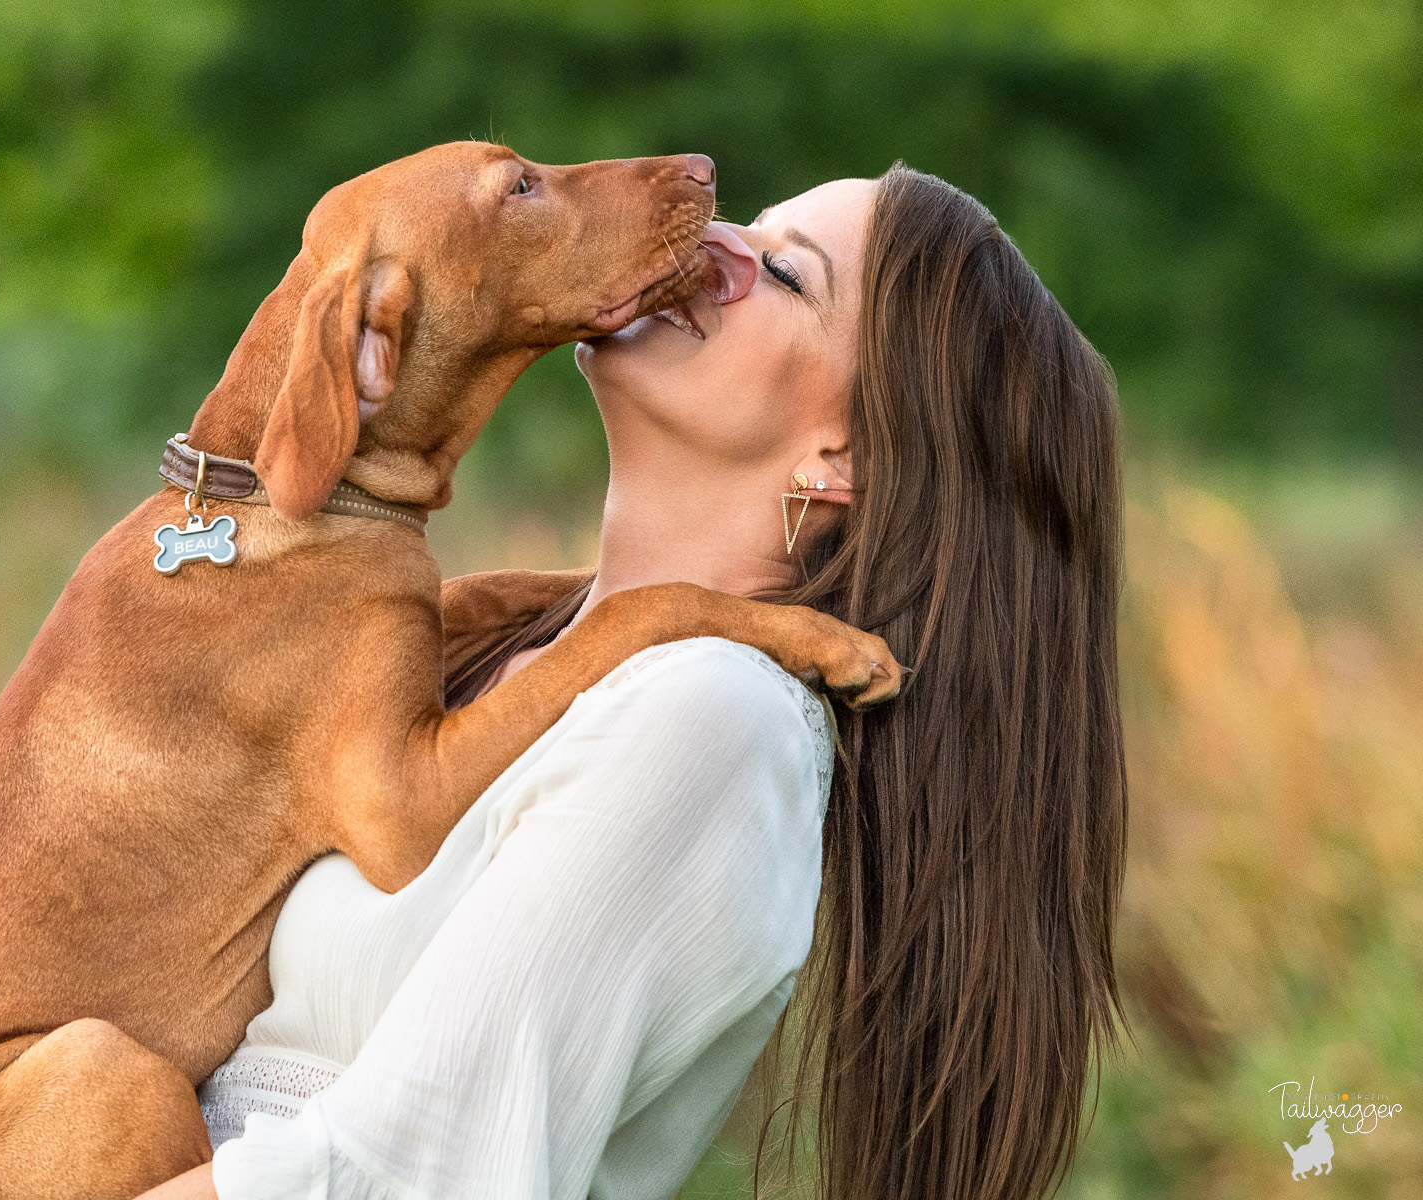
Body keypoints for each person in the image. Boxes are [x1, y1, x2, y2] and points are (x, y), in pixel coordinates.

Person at [143, 162, 1127, 1200]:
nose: (716, 244)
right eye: (753, 219)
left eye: (787, 276)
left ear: (844, 458)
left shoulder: (715, 721)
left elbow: (396, 1178)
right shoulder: (493, 645)